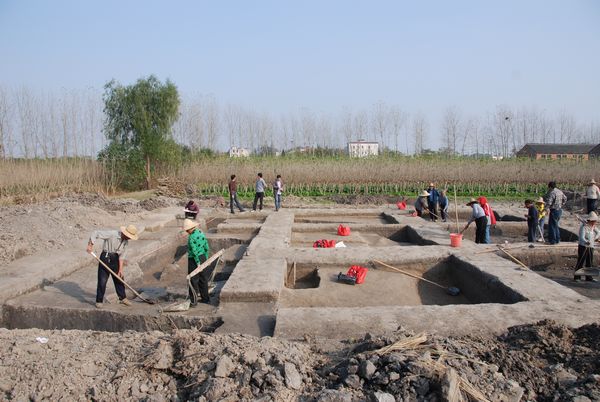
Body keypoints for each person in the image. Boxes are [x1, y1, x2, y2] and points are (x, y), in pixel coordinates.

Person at [86, 224, 139, 308]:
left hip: (116, 258)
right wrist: (90, 245)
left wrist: (120, 269)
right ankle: (99, 301)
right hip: (105, 257)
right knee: (102, 280)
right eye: (129, 236)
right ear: (125, 233)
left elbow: (122, 256)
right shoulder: (112, 234)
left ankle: (123, 298)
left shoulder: (126, 242)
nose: (129, 238)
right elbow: (96, 233)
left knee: (119, 278)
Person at [183, 219, 211, 305]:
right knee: (203, 279)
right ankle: (205, 298)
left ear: (191, 228)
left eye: (187, 230)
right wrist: (206, 258)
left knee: (193, 280)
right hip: (203, 257)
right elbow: (206, 246)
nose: (187, 232)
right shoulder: (201, 233)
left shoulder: (191, 237)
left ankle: (193, 301)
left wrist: (198, 263)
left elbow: (194, 252)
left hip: (194, 260)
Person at [574, 212, 600, 282]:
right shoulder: (584, 227)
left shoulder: (593, 227)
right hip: (583, 246)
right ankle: (577, 277)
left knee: (589, 262)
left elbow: (598, 232)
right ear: (591, 221)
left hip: (591, 247)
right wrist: (586, 241)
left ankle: (589, 277)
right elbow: (582, 237)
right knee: (581, 261)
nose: (595, 223)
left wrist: (595, 238)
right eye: (594, 221)